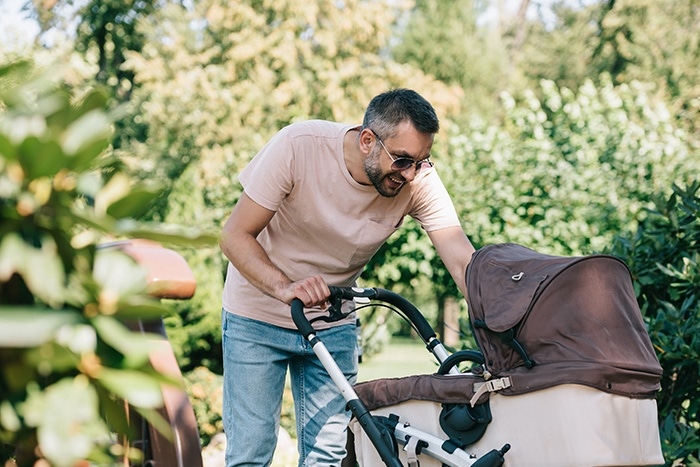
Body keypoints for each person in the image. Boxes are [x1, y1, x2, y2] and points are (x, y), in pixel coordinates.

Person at [219, 88, 475, 466]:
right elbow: (234, 235)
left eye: (421, 161)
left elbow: (461, 259)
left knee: (327, 455)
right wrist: (284, 288)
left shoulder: (417, 178)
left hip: (331, 321)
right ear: (368, 140)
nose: (410, 173)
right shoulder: (299, 146)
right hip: (256, 316)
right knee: (251, 453)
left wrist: (499, 326)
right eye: (402, 160)